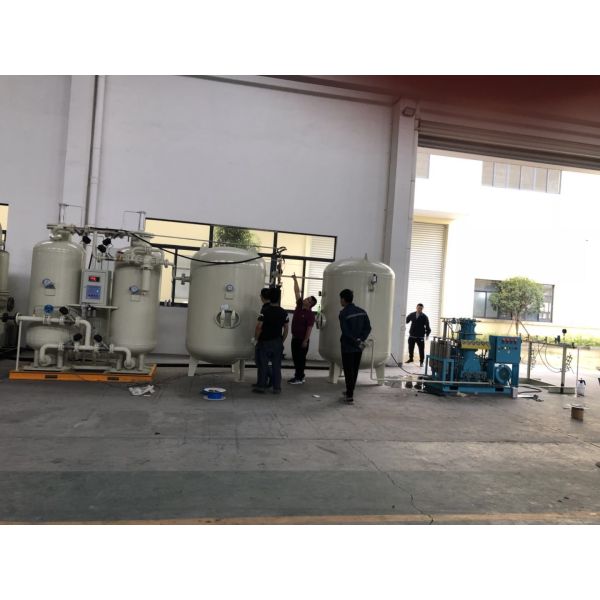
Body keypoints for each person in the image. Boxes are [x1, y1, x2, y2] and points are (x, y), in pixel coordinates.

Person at [338, 289, 371, 404]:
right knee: (355, 370)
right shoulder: (362, 311)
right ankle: (350, 391)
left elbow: (346, 332)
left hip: (347, 347)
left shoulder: (343, 313)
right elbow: (368, 328)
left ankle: (349, 396)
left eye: (340, 299)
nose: (340, 301)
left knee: (348, 371)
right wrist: (361, 339)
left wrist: (356, 341)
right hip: (358, 347)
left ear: (343, 299)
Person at [253, 288, 289, 394]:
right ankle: (277, 388)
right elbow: (286, 328)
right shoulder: (284, 312)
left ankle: (261, 387)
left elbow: (259, 327)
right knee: (276, 366)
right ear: (279, 298)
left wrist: (255, 339)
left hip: (264, 342)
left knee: (263, 365)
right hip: (277, 342)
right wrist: (281, 340)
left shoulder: (264, 311)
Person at [288, 273, 317, 385]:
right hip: (295, 338)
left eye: (308, 300)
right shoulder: (299, 305)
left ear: (310, 305)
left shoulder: (310, 315)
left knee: (300, 359)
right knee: (296, 359)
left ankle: (299, 378)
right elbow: (296, 292)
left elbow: (309, 329)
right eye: (307, 298)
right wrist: (295, 280)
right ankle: (300, 376)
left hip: (302, 340)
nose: (305, 299)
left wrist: (305, 341)